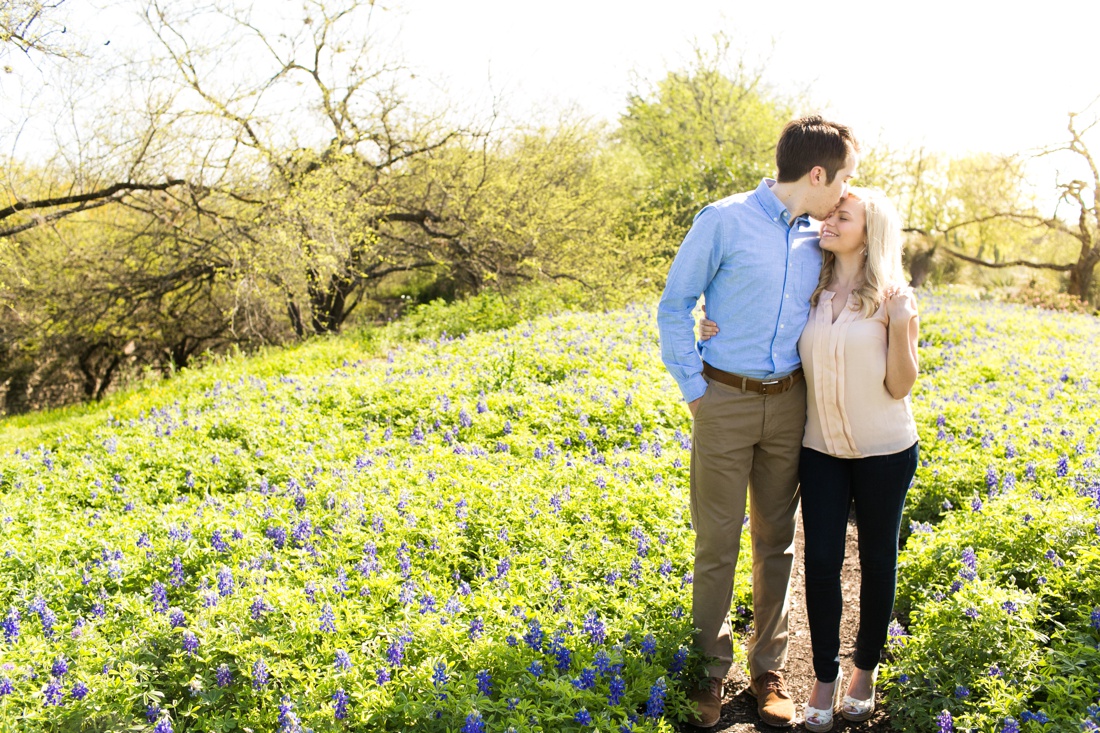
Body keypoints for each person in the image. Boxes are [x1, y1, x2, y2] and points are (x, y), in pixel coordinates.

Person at [656, 115, 859, 729]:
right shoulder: (723, 220)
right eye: (846, 176)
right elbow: (674, 306)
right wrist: (697, 391)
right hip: (724, 398)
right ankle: (709, 672)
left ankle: (769, 670)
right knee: (716, 542)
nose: (850, 189)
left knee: (777, 540)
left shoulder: (821, 236)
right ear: (817, 173)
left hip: (791, 403)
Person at [698, 187, 919, 732]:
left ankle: (862, 671)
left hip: (884, 450)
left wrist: (900, 326)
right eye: (832, 209)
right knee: (820, 564)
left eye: (844, 215)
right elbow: (762, 318)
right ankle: (822, 677)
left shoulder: (894, 297)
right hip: (819, 448)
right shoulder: (811, 288)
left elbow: (900, 384)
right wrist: (712, 324)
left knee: (876, 560)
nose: (830, 217)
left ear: (870, 233)